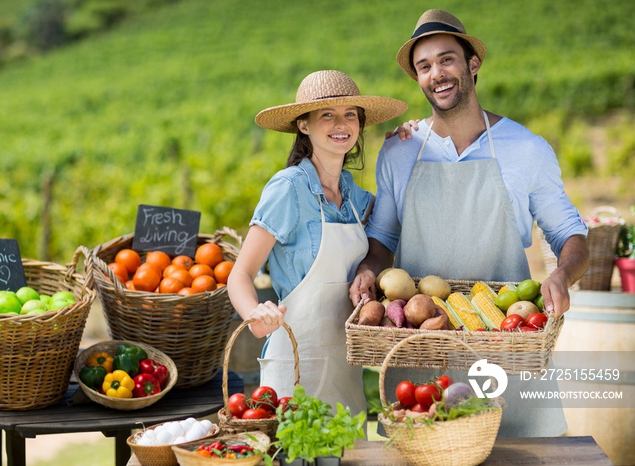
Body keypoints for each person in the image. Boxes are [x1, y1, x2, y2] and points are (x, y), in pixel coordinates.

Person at [349, 10, 589, 437]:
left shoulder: (526, 149)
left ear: (472, 63)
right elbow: (383, 237)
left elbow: (569, 231)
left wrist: (562, 275)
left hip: (507, 344)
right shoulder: (400, 152)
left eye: (447, 60)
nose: (436, 74)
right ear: (418, 78)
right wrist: (370, 268)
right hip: (423, 350)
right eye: (424, 67)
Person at [227, 70, 407, 416]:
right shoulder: (288, 188)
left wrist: (404, 148)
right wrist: (254, 313)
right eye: (327, 114)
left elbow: (391, 223)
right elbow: (240, 274)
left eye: (350, 115)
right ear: (304, 125)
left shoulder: (355, 195)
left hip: (345, 365)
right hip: (294, 364)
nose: (341, 124)